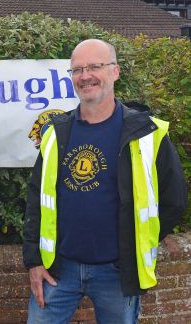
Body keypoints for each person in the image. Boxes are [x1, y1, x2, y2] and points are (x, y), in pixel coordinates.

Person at [22, 39, 186, 323]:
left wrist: (136, 243)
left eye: (95, 66)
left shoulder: (147, 133)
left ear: (116, 72)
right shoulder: (55, 133)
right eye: (77, 69)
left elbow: (174, 202)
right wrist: (34, 261)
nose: (85, 76)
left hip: (117, 274)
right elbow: (37, 200)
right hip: (58, 271)